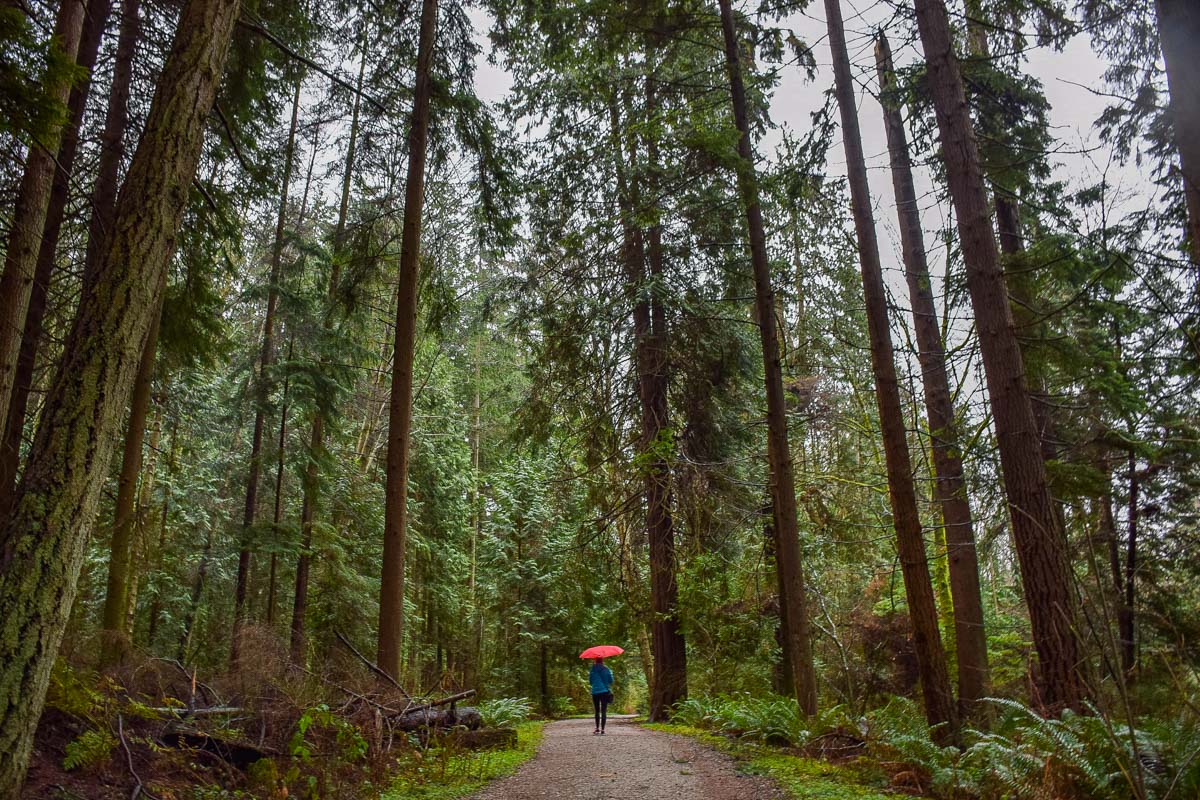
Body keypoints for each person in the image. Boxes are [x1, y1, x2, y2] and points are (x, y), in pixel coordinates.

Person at [589, 657, 614, 735]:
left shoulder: (592, 670)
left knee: (597, 710)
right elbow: (611, 681)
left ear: (595, 661)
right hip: (604, 691)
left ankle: (597, 728)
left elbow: (590, 682)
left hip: (595, 692)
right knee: (603, 710)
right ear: (602, 661)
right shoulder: (606, 669)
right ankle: (603, 730)